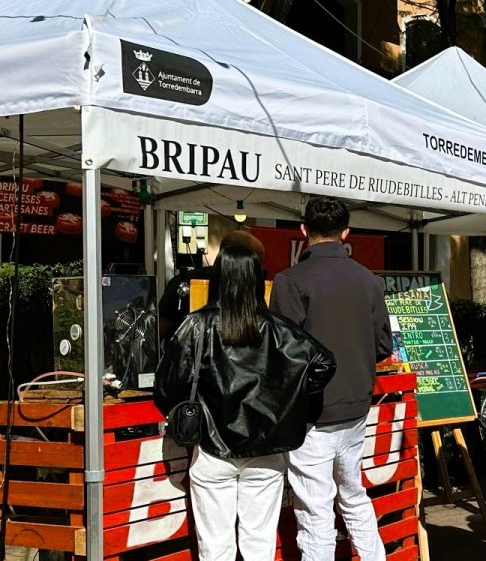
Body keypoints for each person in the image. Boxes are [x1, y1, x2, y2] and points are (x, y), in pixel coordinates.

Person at [155, 245, 336, 561]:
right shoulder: (278, 328)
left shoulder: (196, 326)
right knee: (259, 546)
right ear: (256, 280)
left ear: (218, 279)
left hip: (212, 449)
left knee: (215, 549)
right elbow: (323, 363)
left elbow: (166, 385)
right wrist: (291, 403)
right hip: (266, 448)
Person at [269, 197, 392, 561]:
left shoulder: (290, 280)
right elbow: (384, 344)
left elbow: (282, 352)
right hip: (355, 408)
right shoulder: (368, 280)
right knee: (354, 495)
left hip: (311, 415)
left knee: (316, 510)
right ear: (346, 233)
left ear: (304, 231)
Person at [158, 228, 266, 338]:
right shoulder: (183, 283)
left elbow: (158, 331)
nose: (260, 272)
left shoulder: (182, 282)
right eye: (258, 265)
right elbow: (159, 329)